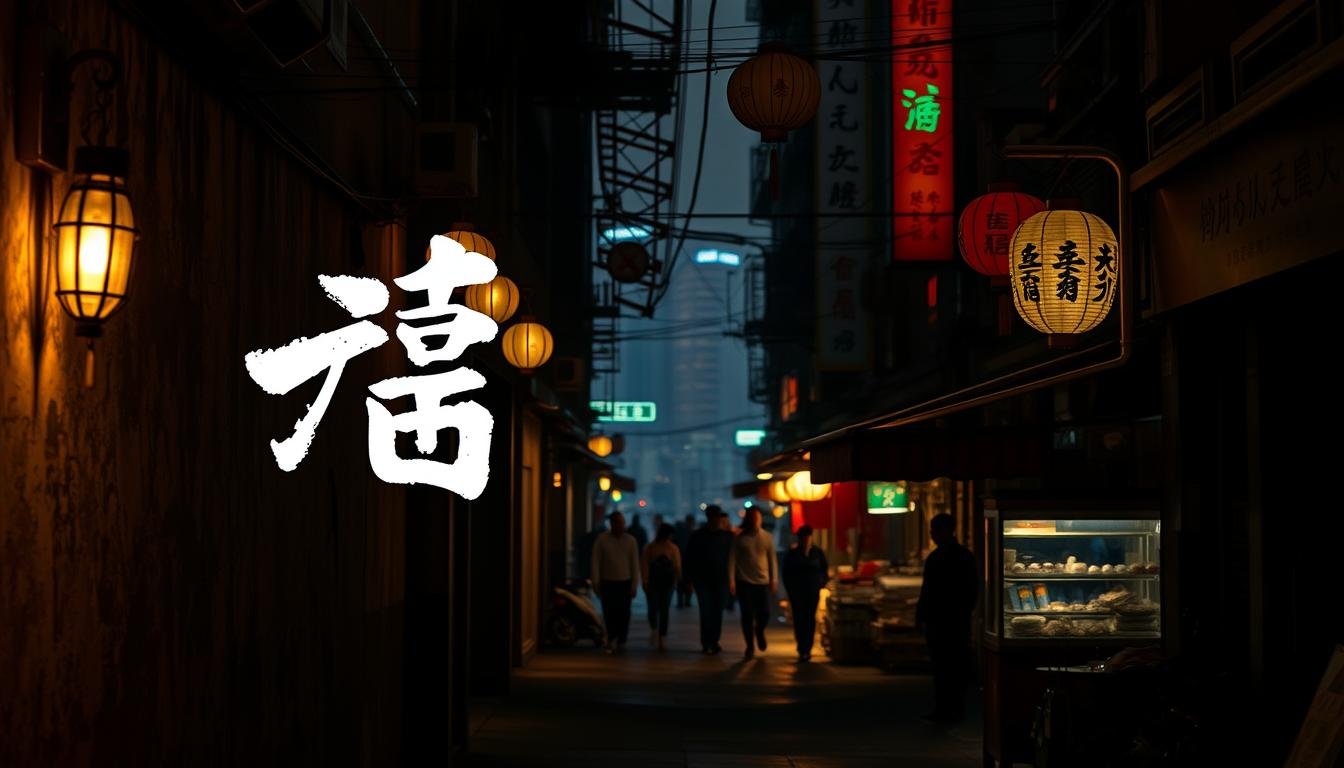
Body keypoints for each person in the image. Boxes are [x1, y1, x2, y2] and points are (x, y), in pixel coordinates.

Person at [916, 513, 978, 723]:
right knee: (954, 666)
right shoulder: (965, 556)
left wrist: (921, 617)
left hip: (941, 621)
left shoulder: (937, 558)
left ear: (945, 531)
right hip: (957, 621)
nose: (932, 535)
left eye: (934, 530)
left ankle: (945, 708)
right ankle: (953, 708)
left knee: (943, 667)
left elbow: (927, 591)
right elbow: (973, 590)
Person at [728, 507, 778, 660]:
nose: (757, 521)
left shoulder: (767, 537)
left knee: (765, 613)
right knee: (747, 616)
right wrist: (731, 580)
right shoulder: (740, 538)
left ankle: (760, 631)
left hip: (762, 582)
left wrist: (774, 579)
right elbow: (732, 560)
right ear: (749, 520)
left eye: (759, 518)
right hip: (745, 582)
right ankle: (750, 645)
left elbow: (772, 560)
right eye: (754, 518)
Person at [685, 505, 734, 654]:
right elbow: (689, 559)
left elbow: (733, 560)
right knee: (706, 611)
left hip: (720, 580)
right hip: (703, 581)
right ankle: (707, 642)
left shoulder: (727, 537)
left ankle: (713, 640)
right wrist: (688, 580)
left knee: (717, 611)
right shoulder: (698, 536)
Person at [591, 511, 641, 654]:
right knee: (609, 612)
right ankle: (611, 637)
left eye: (622, 522)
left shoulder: (630, 541)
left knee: (624, 613)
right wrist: (596, 581)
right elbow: (596, 561)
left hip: (625, 582)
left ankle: (621, 638)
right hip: (608, 582)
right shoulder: (602, 539)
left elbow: (634, 564)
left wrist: (634, 585)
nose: (621, 525)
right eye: (618, 522)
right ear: (611, 524)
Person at [782, 525, 829, 662]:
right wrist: (790, 590)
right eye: (804, 537)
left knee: (809, 618)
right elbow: (786, 574)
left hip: (813, 591)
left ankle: (807, 648)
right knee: (799, 619)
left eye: (808, 537)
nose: (806, 540)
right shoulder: (793, 554)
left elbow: (824, 569)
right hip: (797, 592)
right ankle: (801, 647)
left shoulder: (817, 553)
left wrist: (821, 584)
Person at [642, 523, 682, 652]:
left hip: (666, 583)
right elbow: (645, 565)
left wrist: (676, 581)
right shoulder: (651, 548)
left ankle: (661, 636)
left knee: (663, 609)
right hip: (656, 582)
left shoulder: (671, 548)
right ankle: (655, 629)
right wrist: (645, 580)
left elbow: (677, 567)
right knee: (654, 608)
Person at [674, 514, 695, 607]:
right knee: (688, 581)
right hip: (688, 560)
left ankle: (680, 601)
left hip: (680, 559)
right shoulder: (690, 532)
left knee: (680, 582)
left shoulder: (679, 531)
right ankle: (687, 601)